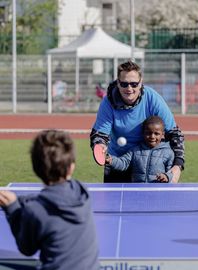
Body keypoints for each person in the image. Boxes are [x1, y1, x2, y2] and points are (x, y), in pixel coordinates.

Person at [0, 130, 100, 270]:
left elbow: (26, 249)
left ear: (36, 169)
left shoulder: (35, 211)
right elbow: (50, 199)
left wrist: (13, 208)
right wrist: (21, 201)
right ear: (71, 167)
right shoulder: (82, 192)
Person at [90, 60, 185, 183]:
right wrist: (100, 146)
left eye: (134, 84)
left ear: (141, 83)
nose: (129, 88)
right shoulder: (108, 102)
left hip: (147, 161)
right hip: (117, 160)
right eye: (124, 84)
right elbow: (99, 135)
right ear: (118, 83)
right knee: (113, 201)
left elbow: (174, 134)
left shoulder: (153, 98)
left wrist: (177, 166)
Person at [105, 116, 174, 183]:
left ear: (162, 134)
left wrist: (166, 176)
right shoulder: (135, 150)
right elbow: (124, 163)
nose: (152, 136)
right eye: (148, 133)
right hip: (137, 191)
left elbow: (171, 172)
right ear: (143, 133)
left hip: (157, 191)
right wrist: (111, 160)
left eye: (156, 134)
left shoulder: (168, 153)